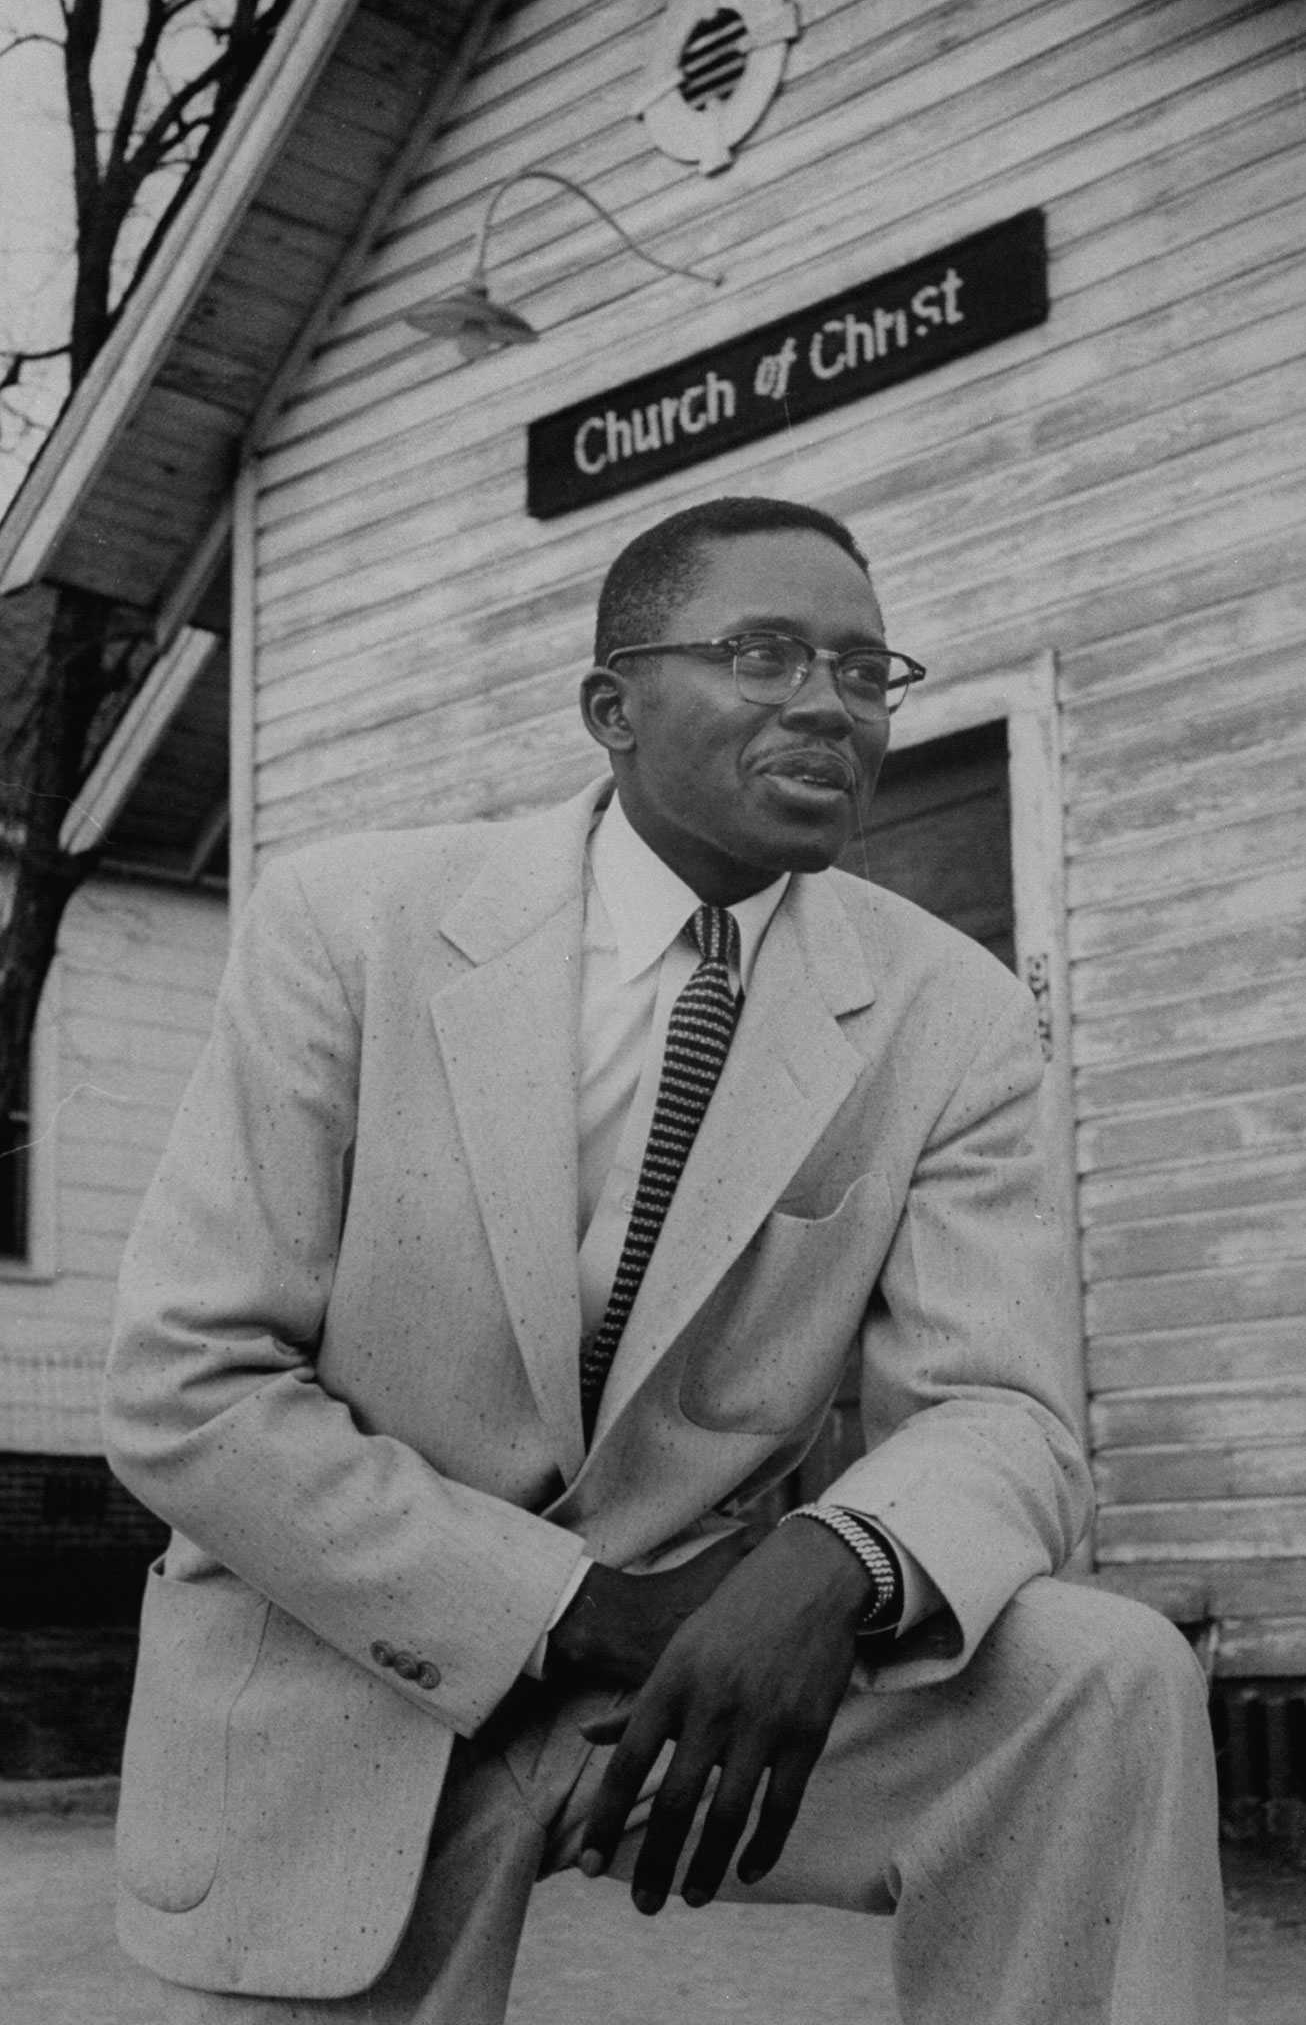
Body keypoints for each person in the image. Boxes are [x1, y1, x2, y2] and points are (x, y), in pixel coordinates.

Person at [104, 496, 1224, 2024]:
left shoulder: (947, 1014)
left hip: (695, 1690)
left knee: (1097, 1679)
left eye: (862, 667)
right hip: (343, 1665)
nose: (828, 701)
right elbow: (188, 1386)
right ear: (609, 709)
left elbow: (1005, 1414)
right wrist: (558, 1603)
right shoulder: (351, 924)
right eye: (764, 653)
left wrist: (836, 1566)